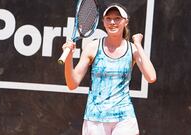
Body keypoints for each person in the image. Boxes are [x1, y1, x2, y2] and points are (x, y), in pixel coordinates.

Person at [62, 3, 156, 135]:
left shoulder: (132, 49)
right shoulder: (93, 47)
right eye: (108, 18)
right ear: (103, 22)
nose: (112, 22)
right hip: (95, 118)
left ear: (125, 22)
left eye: (117, 18)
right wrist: (69, 58)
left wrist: (138, 45)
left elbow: (151, 77)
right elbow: (72, 84)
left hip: (124, 117)